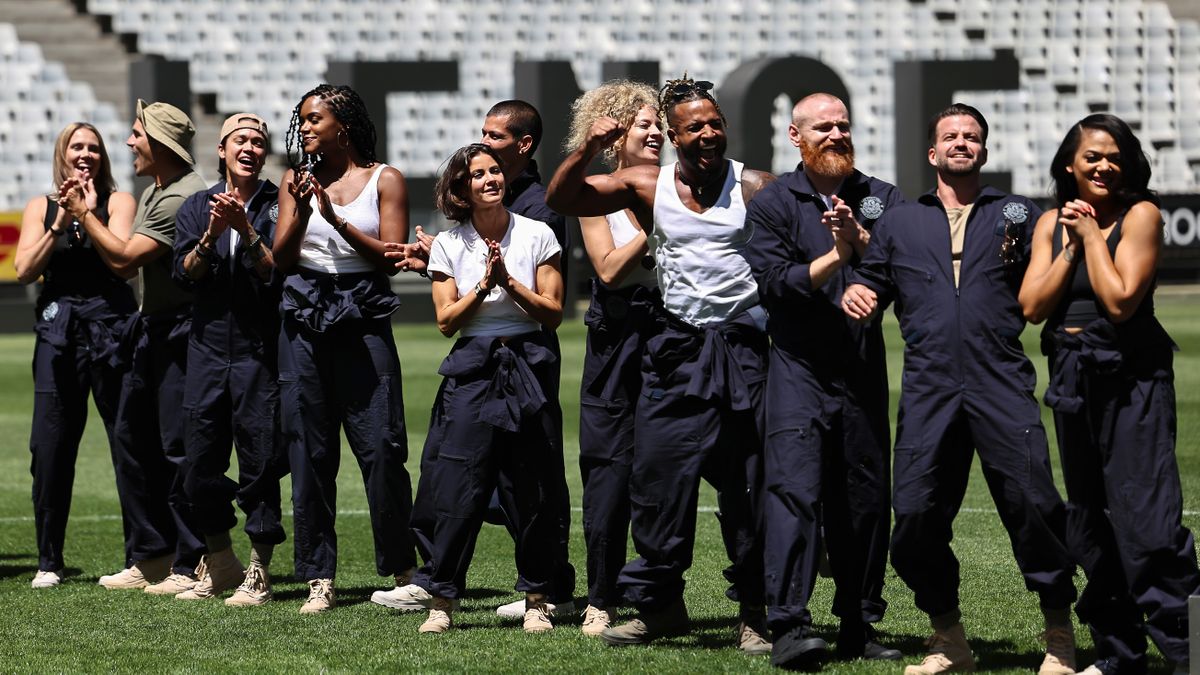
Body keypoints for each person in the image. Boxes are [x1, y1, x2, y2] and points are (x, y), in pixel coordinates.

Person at [841, 103, 1077, 675]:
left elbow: (1044, 287)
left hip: (1000, 380)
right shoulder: (899, 221)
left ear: (985, 151)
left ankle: (1060, 636)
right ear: (932, 152)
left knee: (1033, 505)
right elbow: (872, 281)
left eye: (972, 136)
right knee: (917, 514)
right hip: (929, 387)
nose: (962, 143)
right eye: (951, 136)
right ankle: (948, 638)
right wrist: (860, 294)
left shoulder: (1016, 214)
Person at [546, 74, 774, 654]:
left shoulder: (754, 186)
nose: (707, 133)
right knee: (658, 483)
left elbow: (802, 238)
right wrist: (585, 150)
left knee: (746, 486)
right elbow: (562, 200)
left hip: (741, 351)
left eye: (714, 123)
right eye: (693, 126)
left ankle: (755, 612)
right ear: (674, 135)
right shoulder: (647, 183)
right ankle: (660, 607)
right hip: (674, 351)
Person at [383, 100, 578, 621]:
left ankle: (541, 598)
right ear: (461, 188)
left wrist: (509, 284)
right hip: (473, 366)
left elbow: (554, 313)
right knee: (455, 483)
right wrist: (482, 286)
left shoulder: (538, 230)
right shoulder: (450, 242)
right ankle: (441, 596)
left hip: (527, 364)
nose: (490, 176)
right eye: (479, 173)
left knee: (530, 485)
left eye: (495, 168)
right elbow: (448, 320)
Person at [1019, 114, 1200, 675]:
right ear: (1069, 165)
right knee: (1091, 522)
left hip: (1133, 382)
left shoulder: (1141, 215)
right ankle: (1119, 654)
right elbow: (1031, 306)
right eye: (1091, 156)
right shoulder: (1051, 221)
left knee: (1148, 521)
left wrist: (1093, 235)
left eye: (1113, 156)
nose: (1103, 165)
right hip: (1074, 383)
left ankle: (1190, 652)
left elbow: (1120, 300)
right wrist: (1072, 246)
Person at [744, 93, 902, 668]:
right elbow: (774, 283)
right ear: (796, 135)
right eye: (823, 127)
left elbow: (897, 269)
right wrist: (837, 260)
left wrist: (861, 254)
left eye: (842, 125)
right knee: (793, 491)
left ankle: (860, 621)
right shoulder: (774, 202)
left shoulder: (881, 198)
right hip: (798, 368)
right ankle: (787, 625)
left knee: (864, 498)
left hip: (860, 370)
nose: (835, 134)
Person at [272, 84, 416, 614]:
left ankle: (404, 569)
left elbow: (390, 257)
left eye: (315, 119)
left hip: (364, 313)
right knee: (309, 452)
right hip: (303, 314)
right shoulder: (295, 179)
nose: (305, 128)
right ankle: (318, 577)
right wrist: (304, 206)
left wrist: (336, 219)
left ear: (344, 126)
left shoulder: (386, 178)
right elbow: (281, 260)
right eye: (303, 120)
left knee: (381, 446)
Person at [63, 100, 208, 592]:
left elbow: (125, 261)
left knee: (175, 449)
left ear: (161, 142)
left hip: (181, 334)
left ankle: (193, 561)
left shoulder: (180, 197)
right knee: (132, 437)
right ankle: (153, 554)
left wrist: (85, 212)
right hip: (151, 329)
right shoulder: (157, 190)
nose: (128, 143)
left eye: (136, 134)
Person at [169, 113, 287, 605]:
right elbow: (185, 275)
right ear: (221, 149)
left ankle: (259, 567)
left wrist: (247, 230)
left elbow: (275, 274)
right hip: (208, 348)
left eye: (258, 142)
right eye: (240, 139)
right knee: (198, 461)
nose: (249, 148)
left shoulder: (280, 203)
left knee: (260, 461)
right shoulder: (197, 206)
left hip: (259, 353)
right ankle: (219, 559)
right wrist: (213, 235)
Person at [562, 81, 665, 636]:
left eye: (658, 126)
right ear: (612, 137)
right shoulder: (597, 194)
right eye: (642, 125)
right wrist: (655, 225)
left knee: (666, 473)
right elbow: (607, 269)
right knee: (607, 474)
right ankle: (601, 596)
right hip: (616, 342)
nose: (654, 134)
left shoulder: (680, 185)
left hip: (672, 340)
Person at [15, 122, 137, 589]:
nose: (85, 155)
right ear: (62, 156)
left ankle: (141, 557)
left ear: (103, 158)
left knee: (127, 442)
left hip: (112, 328)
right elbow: (25, 270)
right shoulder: (39, 207)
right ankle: (50, 561)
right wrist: (60, 222)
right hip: (59, 332)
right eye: (76, 147)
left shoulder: (119, 202)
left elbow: (121, 260)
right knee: (49, 448)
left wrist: (87, 214)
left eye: (93, 148)